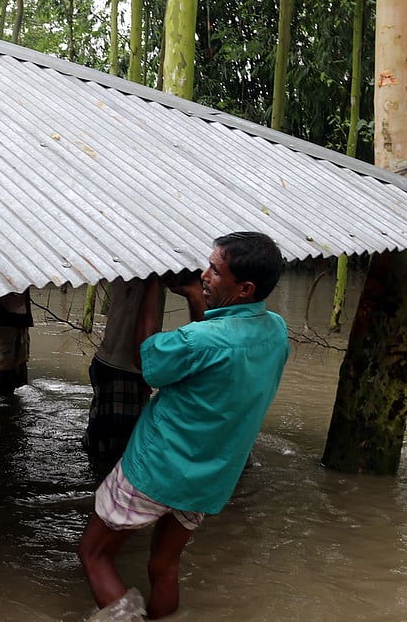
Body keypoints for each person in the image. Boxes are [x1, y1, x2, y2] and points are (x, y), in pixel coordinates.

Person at [78, 232, 289, 619]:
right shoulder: (275, 330)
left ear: (244, 288)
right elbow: (209, 353)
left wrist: (148, 288)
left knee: (93, 554)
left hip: (156, 468)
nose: (205, 274)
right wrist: (195, 297)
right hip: (207, 479)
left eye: (215, 270)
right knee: (164, 567)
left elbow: (149, 361)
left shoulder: (199, 341)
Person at [82, 273, 203, 466]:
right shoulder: (138, 269)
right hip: (121, 364)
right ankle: (103, 485)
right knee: (115, 450)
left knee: (113, 444)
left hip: (126, 363)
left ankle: (101, 485)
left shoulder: (152, 271)